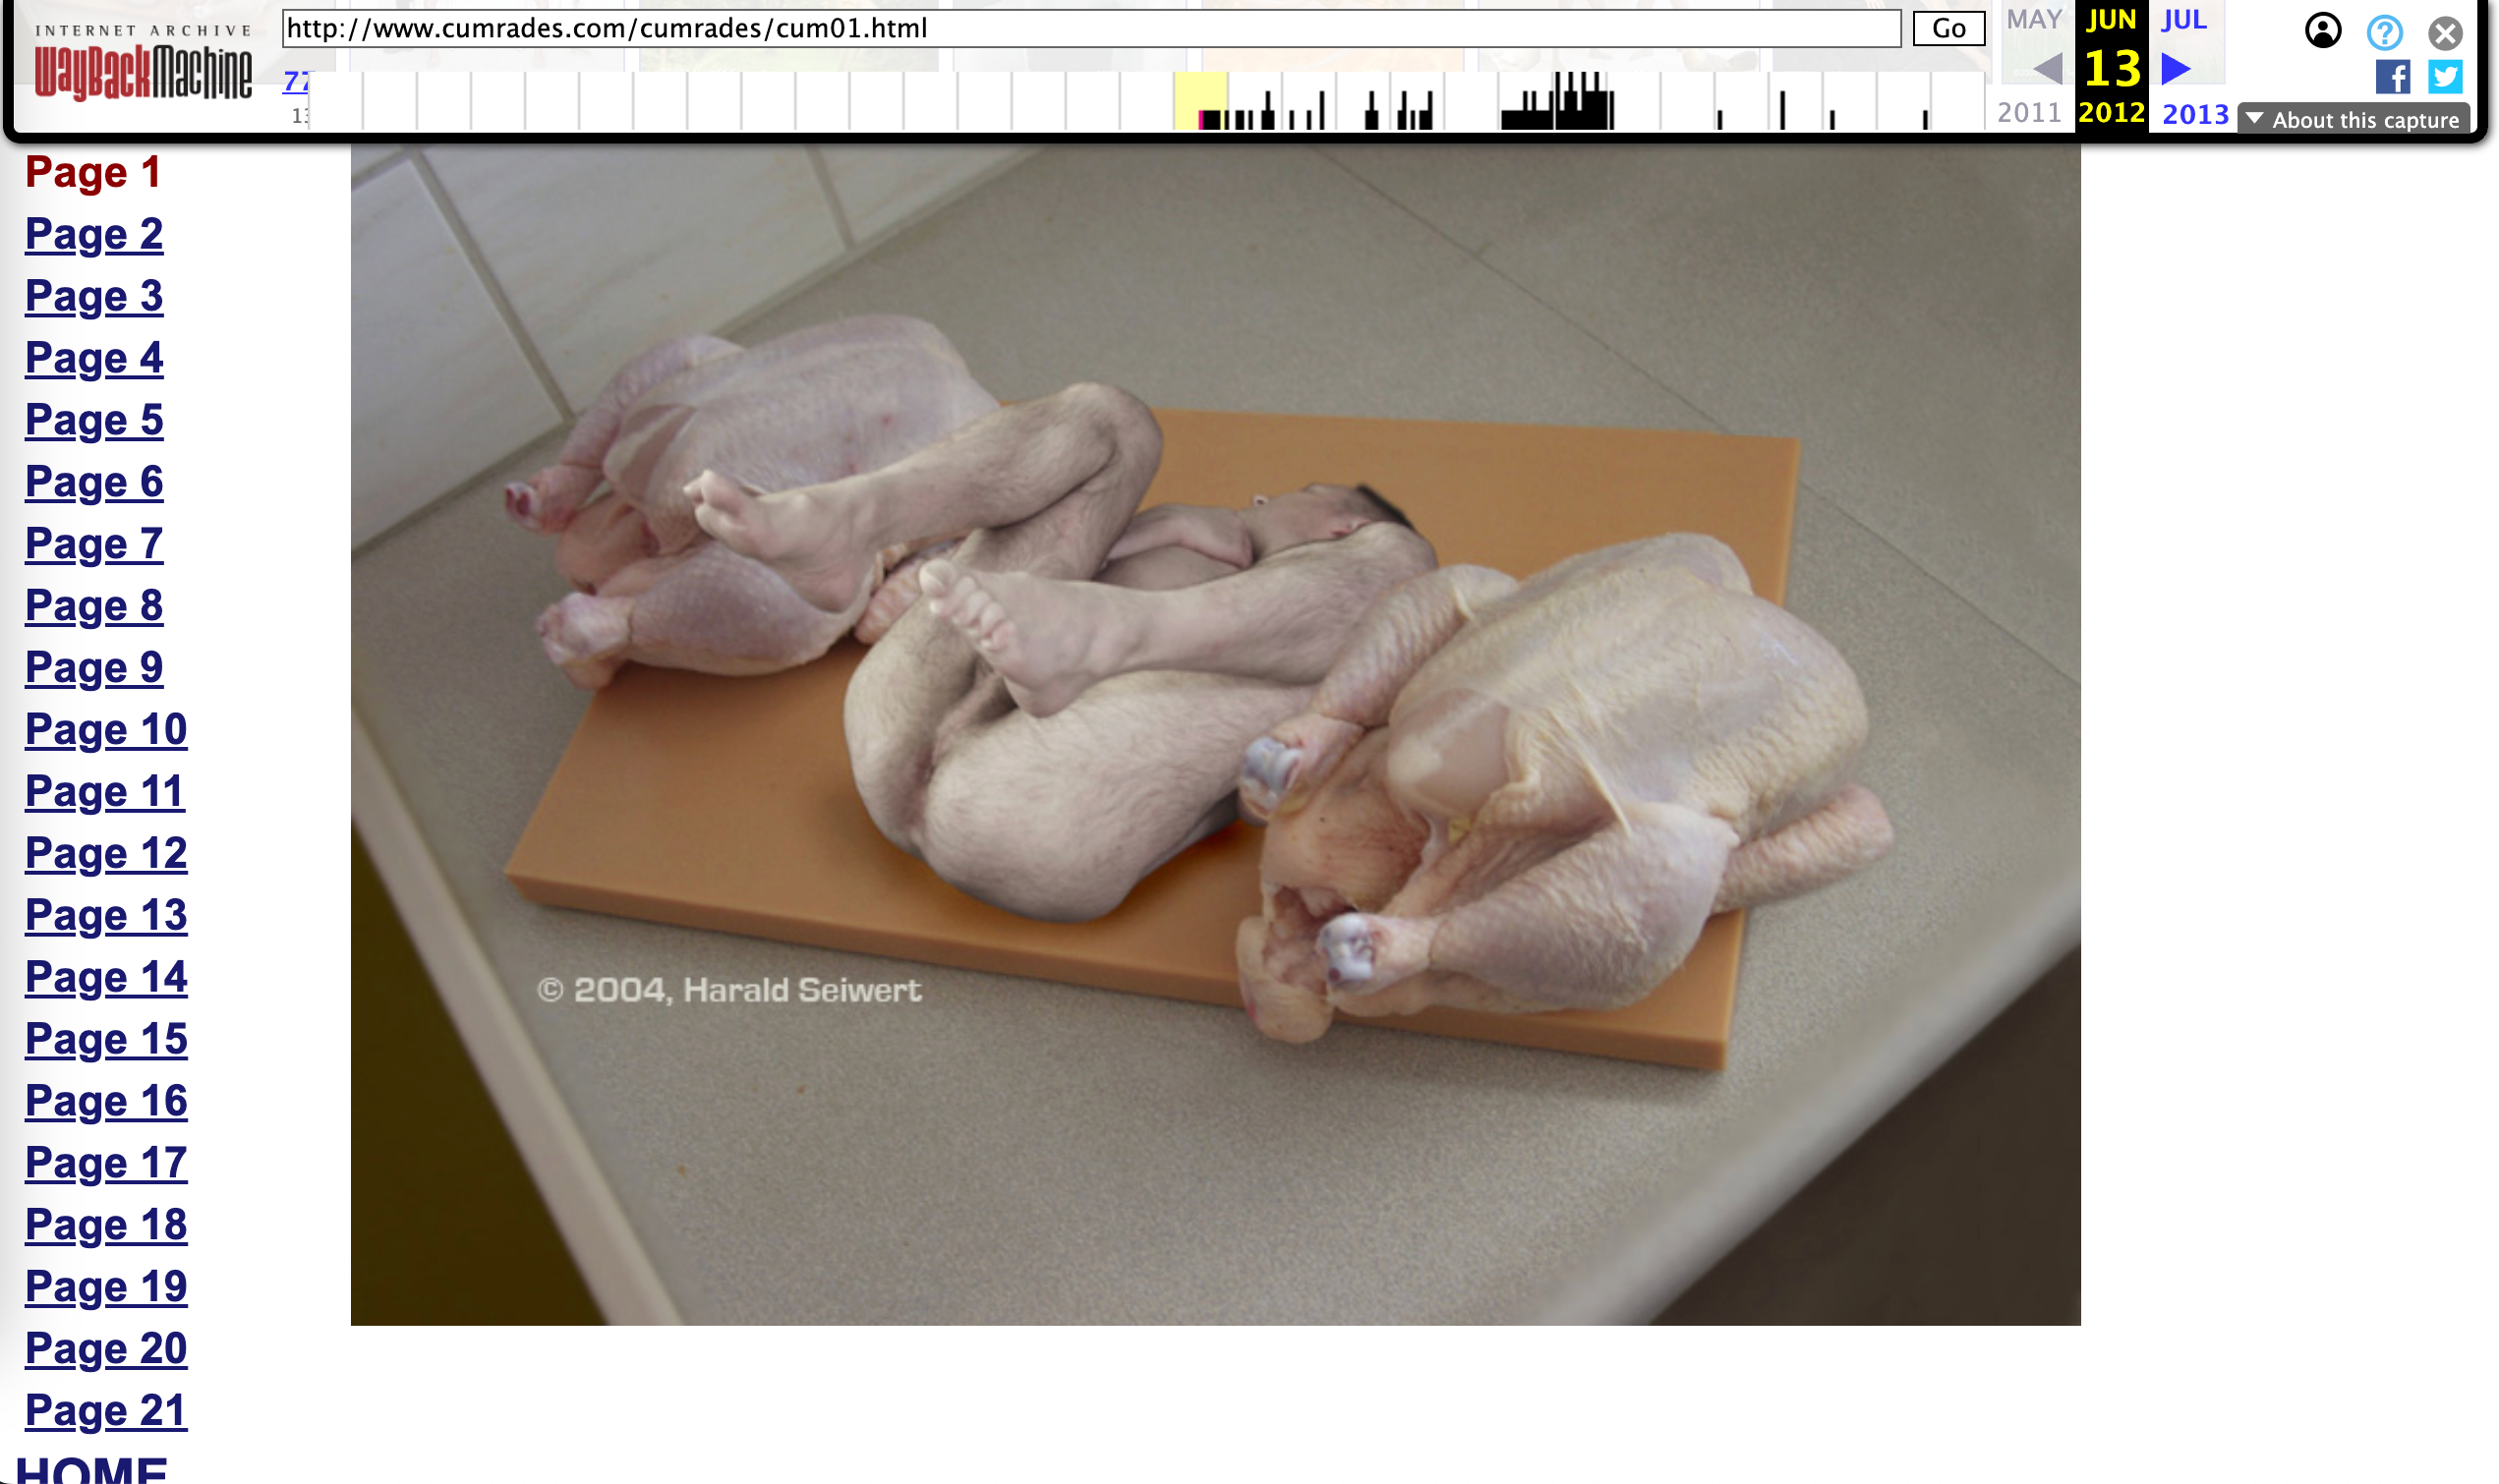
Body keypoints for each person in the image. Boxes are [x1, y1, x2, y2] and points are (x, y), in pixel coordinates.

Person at [688, 382, 1437, 921]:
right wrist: (1161, 525)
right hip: (909, 713)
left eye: (1302, 491)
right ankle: (853, 518)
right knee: (1114, 418)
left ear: (1343, 530)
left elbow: (1267, 796)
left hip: (1038, 814)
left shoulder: (1348, 602)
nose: (1266, 498)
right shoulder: (1194, 547)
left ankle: (1107, 635)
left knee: (1407, 570)